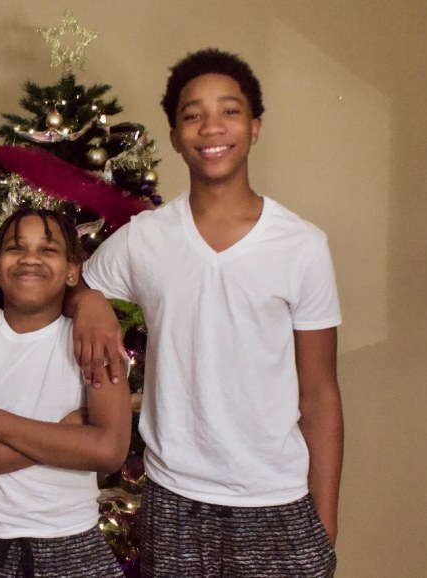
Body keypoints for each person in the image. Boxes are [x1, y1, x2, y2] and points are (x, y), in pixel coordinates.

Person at [70, 48, 343, 577]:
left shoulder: (302, 245)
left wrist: (324, 522)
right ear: (174, 136)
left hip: (276, 498)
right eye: (193, 115)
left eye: (230, 111)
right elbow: (77, 286)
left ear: (255, 127)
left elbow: (320, 392)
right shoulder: (145, 239)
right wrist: (87, 300)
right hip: (177, 499)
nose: (211, 126)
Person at [0, 207, 131, 578]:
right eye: (16, 248)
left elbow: (108, 450)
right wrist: (67, 439)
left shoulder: (93, 338)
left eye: (48, 250)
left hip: (73, 541)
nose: (30, 259)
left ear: (72, 270)